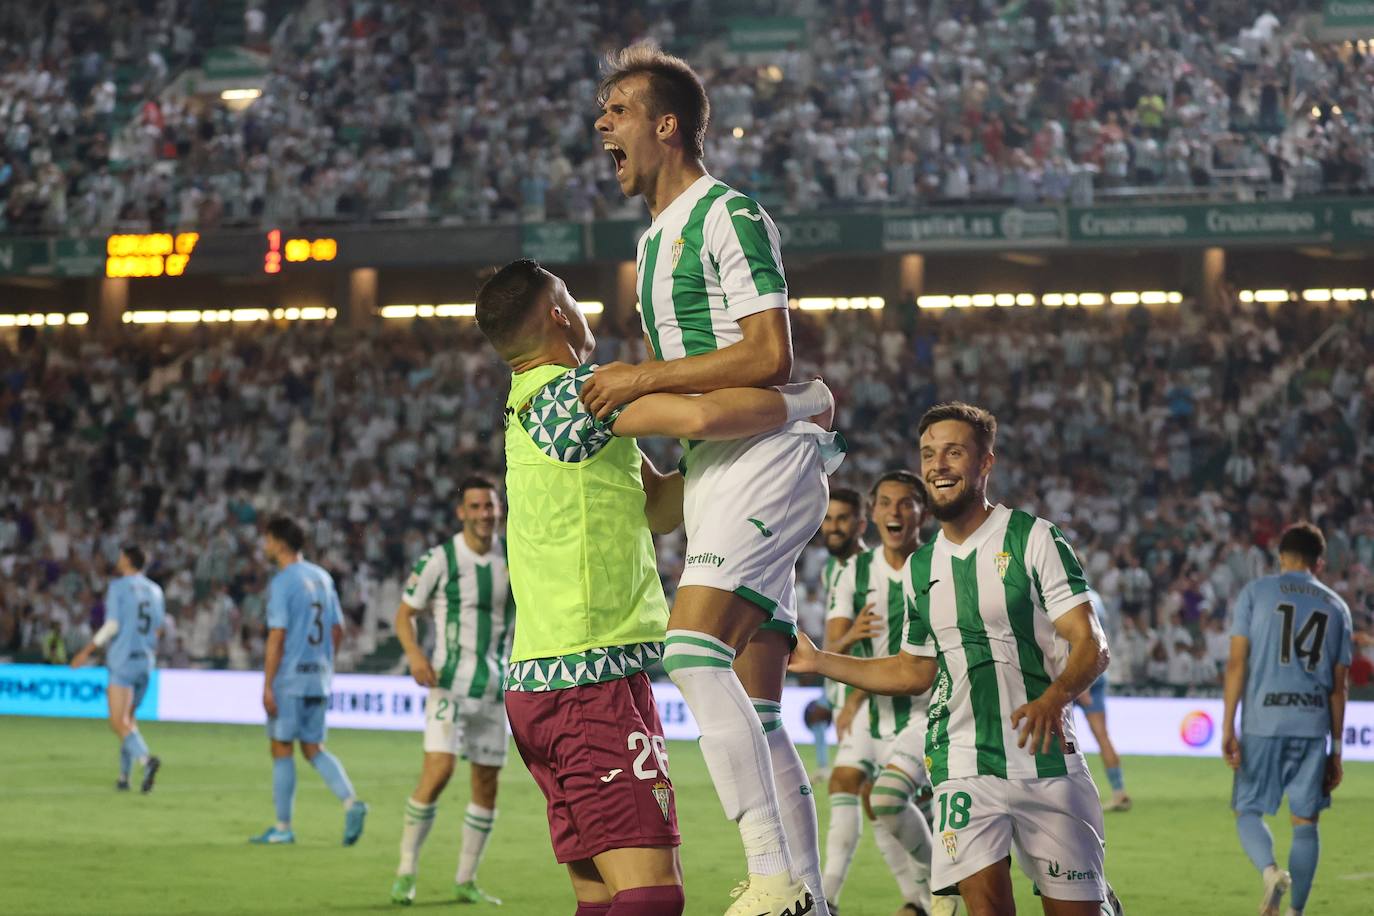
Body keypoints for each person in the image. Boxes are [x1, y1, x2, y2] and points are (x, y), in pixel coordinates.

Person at [474, 258, 834, 916]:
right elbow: (698, 419)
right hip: (589, 677)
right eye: (572, 300)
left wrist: (721, 474)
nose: (582, 312)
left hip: (546, 681)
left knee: (602, 896)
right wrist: (807, 402)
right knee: (653, 897)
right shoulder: (572, 393)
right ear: (558, 315)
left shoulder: (541, 410)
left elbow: (662, 506)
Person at [586, 42, 842, 916]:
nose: (600, 126)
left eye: (616, 111)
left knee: (690, 650)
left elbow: (773, 355)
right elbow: (705, 380)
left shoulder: (725, 214)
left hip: (765, 461)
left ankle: (772, 875)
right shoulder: (655, 240)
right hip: (721, 468)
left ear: (667, 125)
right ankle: (809, 891)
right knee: (757, 704)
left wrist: (640, 378)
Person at [790, 402, 1114, 916]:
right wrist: (819, 661)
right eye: (928, 453)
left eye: (954, 452)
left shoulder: (1034, 538)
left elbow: (1091, 643)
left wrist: (1054, 697)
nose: (938, 464)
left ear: (985, 463)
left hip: (1047, 760)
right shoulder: (922, 567)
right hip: (961, 762)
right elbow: (912, 670)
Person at [390, 478, 515, 906]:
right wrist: (414, 656)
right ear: (461, 513)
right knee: (439, 772)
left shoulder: (514, 556)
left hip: (496, 688)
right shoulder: (440, 559)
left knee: (486, 784)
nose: (485, 514)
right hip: (448, 685)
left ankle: (466, 879)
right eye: (476, 506)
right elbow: (404, 615)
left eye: (490, 506)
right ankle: (406, 871)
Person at [1223, 522, 1352, 916]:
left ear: (1280, 556)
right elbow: (1339, 686)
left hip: (1263, 720)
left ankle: (1270, 872)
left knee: (1247, 810)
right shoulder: (1337, 607)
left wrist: (1228, 724)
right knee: (1305, 822)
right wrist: (1337, 749)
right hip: (1312, 726)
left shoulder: (1255, 592)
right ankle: (1295, 911)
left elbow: (1236, 663)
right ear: (1320, 562)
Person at [823, 472, 936, 915]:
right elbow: (832, 646)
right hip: (870, 708)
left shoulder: (937, 564)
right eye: (885, 503)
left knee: (887, 802)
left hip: (924, 711)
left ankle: (931, 890)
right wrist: (852, 638)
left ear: (921, 513)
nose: (894, 511)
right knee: (854, 789)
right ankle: (831, 897)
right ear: (874, 513)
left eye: (905, 503)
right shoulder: (855, 571)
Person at [250, 516, 367, 846]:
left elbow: (277, 636)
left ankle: (283, 827)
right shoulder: (322, 577)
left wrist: (267, 684)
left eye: (268, 540)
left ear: (280, 543)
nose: (265, 546)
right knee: (314, 748)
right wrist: (325, 665)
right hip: (318, 676)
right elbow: (338, 629)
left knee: (281, 747)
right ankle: (351, 802)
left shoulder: (283, 582)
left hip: (290, 678)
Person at [70, 544, 165, 793]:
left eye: (121, 556)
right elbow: (158, 629)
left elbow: (112, 625)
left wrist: (86, 651)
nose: (118, 560)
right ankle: (124, 778)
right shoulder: (156, 591)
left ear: (127, 561)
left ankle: (146, 760)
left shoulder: (119, 587)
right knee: (128, 722)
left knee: (117, 721)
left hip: (123, 660)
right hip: (146, 661)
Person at [810, 489, 870, 778]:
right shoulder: (830, 569)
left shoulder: (873, 571)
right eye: (828, 519)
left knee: (859, 790)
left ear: (861, 524)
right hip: (838, 685)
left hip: (866, 689)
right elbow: (836, 632)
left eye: (842, 519)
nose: (832, 527)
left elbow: (880, 644)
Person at [1074, 589, 1131, 812]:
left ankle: (1061, 797)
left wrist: (1082, 684)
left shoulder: (1069, 595)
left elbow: (1079, 639)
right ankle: (1119, 792)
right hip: (1098, 672)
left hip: (1076, 675)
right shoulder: (1096, 597)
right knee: (1102, 736)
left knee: (1058, 737)